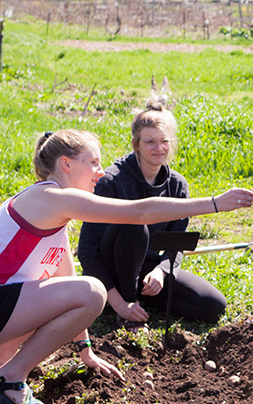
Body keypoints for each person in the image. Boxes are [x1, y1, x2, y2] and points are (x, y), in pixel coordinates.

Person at [0, 129, 253, 404]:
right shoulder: (48, 198)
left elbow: (66, 286)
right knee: (94, 291)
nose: (101, 173)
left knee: (78, 289)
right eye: (94, 163)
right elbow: (140, 212)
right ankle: (10, 378)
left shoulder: (53, 219)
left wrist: (85, 351)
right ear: (66, 164)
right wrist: (214, 203)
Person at [78, 99, 228, 327]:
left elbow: (175, 242)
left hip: (148, 266)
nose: (159, 148)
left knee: (212, 305)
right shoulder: (111, 181)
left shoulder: (177, 185)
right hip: (112, 267)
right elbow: (87, 251)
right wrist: (119, 303)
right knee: (135, 219)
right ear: (136, 144)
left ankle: (143, 301)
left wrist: (161, 271)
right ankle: (125, 304)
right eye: (150, 142)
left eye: (164, 141)